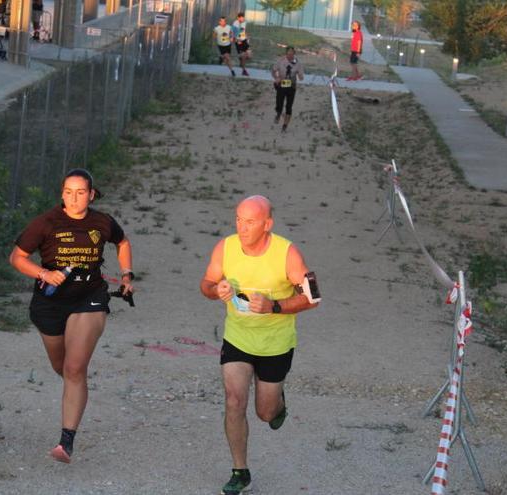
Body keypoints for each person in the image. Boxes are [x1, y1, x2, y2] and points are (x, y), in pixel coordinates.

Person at [10, 168, 135, 464]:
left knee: (75, 368)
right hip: (49, 303)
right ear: (62, 193)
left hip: (89, 298)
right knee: (63, 367)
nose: (74, 198)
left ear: (91, 195)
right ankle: (73, 391)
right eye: (68, 192)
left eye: (80, 192)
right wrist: (43, 273)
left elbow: (123, 241)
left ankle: (66, 441)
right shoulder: (46, 222)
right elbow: (16, 257)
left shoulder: (102, 222)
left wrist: (127, 273)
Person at [200, 195, 319, 495]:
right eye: (238, 219)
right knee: (233, 400)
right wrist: (217, 290)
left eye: (250, 221)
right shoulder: (225, 247)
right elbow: (206, 284)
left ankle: (277, 403)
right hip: (237, 338)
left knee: (264, 413)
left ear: (267, 224)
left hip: (275, 344)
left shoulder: (287, 253)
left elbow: (314, 295)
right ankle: (240, 472)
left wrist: (274, 307)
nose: (242, 227)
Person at [271, 46, 304, 133]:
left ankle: (285, 125)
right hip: (282, 84)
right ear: (286, 54)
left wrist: (300, 75)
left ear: (294, 54)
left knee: (289, 107)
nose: (290, 55)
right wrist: (276, 77)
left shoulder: (298, 63)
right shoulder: (281, 61)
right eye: (288, 54)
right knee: (279, 103)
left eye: (291, 54)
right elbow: (273, 70)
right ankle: (278, 113)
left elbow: (301, 77)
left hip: (291, 86)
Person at [232, 12, 251, 77]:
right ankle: (244, 71)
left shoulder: (244, 23)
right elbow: (233, 34)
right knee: (243, 55)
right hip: (238, 42)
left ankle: (241, 61)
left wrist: (247, 37)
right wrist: (236, 40)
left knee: (249, 56)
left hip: (245, 41)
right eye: (241, 18)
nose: (243, 19)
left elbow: (244, 31)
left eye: (243, 18)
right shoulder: (235, 24)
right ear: (238, 18)